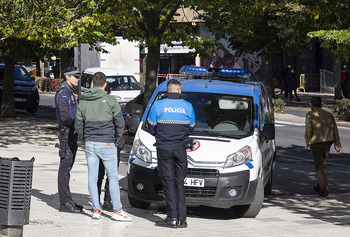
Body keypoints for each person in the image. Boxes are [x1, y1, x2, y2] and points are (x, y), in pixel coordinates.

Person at [75, 72, 132, 221]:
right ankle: (117, 211)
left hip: (90, 144)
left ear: (92, 84)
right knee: (113, 176)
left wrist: (85, 136)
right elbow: (120, 122)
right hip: (107, 142)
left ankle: (96, 210)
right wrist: (118, 139)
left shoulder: (83, 101)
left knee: (92, 177)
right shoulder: (111, 100)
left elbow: (78, 124)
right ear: (105, 84)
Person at [145, 79, 195, 228]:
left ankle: (172, 218)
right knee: (180, 183)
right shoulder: (188, 106)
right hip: (181, 149)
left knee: (169, 183)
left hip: (164, 149)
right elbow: (191, 127)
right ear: (179, 90)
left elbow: (150, 126)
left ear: (168, 90)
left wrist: (162, 136)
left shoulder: (158, 105)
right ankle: (182, 220)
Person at [54, 66, 83, 213]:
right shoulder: (63, 94)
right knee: (64, 169)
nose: (77, 79)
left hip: (71, 134)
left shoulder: (69, 93)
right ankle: (64, 203)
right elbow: (65, 117)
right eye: (75, 76)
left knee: (68, 168)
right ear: (67, 77)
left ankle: (68, 199)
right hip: (66, 135)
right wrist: (78, 124)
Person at [304, 97, 342, 198]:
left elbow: (308, 130)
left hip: (316, 142)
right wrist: (337, 143)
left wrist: (308, 142)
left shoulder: (310, 115)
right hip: (328, 141)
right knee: (323, 164)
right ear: (321, 104)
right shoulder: (329, 114)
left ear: (312, 105)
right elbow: (335, 129)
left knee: (319, 166)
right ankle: (319, 185)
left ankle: (324, 188)